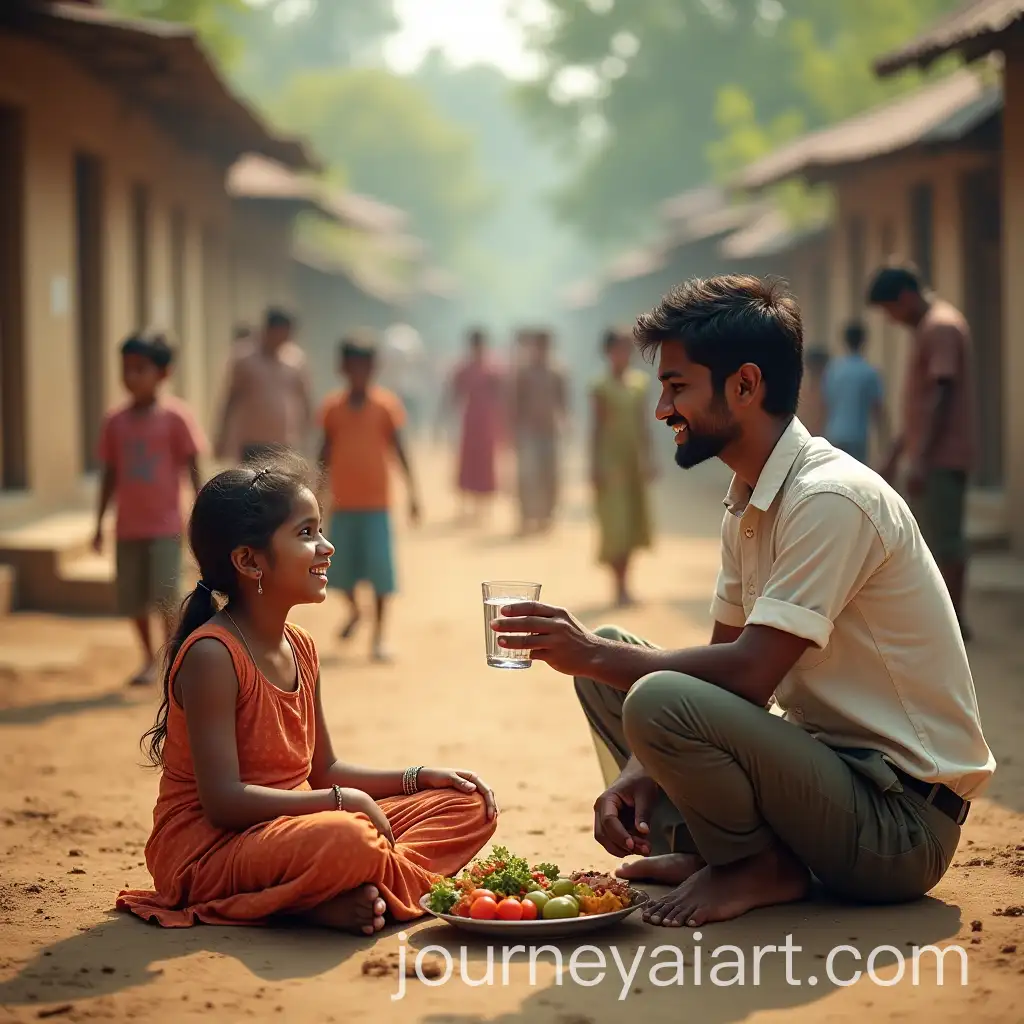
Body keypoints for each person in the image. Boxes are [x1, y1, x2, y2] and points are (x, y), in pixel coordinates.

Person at [489, 275, 994, 930]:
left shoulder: (829, 498)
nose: (662, 409)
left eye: (677, 388)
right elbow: (727, 669)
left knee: (638, 682)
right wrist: (640, 771)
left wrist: (589, 651)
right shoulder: (749, 500)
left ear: (745, 386)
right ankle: (713, 850)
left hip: (898, 827)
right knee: (620, 672)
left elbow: (750, 674)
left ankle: (756, 865)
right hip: (824, 786)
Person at [116, 455, 497, 933]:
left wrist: (421, 777)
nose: (327, 546)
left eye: (320, 529)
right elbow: (224, 803)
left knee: (467, 804)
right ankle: (429, 894)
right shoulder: (213, 654)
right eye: (306, 533)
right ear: (248, 561)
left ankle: (352, 890)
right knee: (349, 838)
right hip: (211, 850)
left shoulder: (301, 645)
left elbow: (324, 770)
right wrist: (342, 801)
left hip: (292, 832)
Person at [867, 264, 976, 640]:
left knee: (946, 541)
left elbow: (941, 394)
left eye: (890, 310)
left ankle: (954, 623)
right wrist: (897, 452)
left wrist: (921, 459)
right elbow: (921, 403)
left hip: (942, 457)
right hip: (928, 454)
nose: (892, 320)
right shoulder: (927, 328)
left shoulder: (940, 326)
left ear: (906, 298)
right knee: (930, 538)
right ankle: (940, 620)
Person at [93, 332, 205, 686]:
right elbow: (109, 474)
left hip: (165, 526)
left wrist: (205, 512)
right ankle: (146, 657)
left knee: (166, 597)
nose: (131, 377)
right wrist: (97, 524)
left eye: (140, 369)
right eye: (126, 369)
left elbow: (194, 466)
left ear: (163, 373)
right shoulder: (115, 421)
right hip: (127, 527)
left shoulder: (176, 417)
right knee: (133, 598)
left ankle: (172, 657)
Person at [318, 334, 420, 662]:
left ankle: (378, 637)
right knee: (339, 571)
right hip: (343, 504)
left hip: (377, 505)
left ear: (374, 368)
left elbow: (400, 448)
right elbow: (323, 453)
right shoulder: (332, 408)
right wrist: (314, 495)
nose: (359, 372)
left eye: (365, 366)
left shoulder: (386, 406)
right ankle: (354, 611)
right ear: (342, 368)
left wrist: (413, 492)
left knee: (380, 574)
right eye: (353, 366)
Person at [590, 327, 655, 607]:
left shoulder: (639, 383)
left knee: (632, 522)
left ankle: (627, 581)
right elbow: (595, 429)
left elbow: (644, 425)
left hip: (633, 463)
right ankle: (617, 584)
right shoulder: (600, 387)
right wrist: (593, 465)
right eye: (618, 349)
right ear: (607, 352)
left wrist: (649, 458)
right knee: (614, 524)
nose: (623, 355)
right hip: (610, 462)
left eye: (627, 349)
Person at [214, 308, 313, 464]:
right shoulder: (245, 359)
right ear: (269, 330)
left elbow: (304, 400)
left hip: (284, 443)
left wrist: (307, 439)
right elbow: (231, 399)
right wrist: (221, 437)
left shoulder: (296, 360)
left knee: (280, 486)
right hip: (252, 442)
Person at [443, 328, 506, 523]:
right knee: (468, 461)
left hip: (487, 421)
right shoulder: (463, 369)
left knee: (485, 462)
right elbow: (453, 394)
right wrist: (445, 418)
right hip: (470, 420)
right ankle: (466, 503)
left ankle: (483, 505)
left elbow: (502, 396)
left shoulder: (493, 369)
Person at [510, 329, 568, 534]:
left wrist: (567, 425)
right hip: (528, 431)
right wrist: (513, 431)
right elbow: (515, 403)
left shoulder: (558, 371)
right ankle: (526, 516)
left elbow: (564, 402)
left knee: (549, 475)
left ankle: (547, 515)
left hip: (550, 430)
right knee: (527, 476)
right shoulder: (524, 373)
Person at [822, 322, 888, 465]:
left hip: (835, 434)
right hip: (858, 437)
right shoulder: (869, 372)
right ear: (864, 342)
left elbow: (825, 404)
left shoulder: (834, 370)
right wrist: (884, 444)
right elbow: (877, 409)